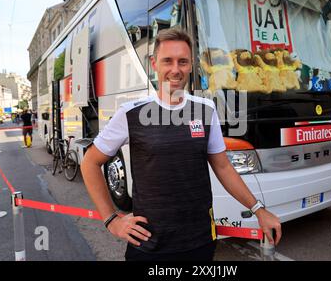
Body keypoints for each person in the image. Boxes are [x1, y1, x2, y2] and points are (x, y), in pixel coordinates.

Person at [81, 28, 282, 261]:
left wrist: (259, 209)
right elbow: (90, 163)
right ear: (154, 64)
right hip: (149, 246)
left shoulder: (206, 110)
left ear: (190, 66)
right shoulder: (131, 113)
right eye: (168, 61)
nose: (175, 69)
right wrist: (111, 219)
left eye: (183, 62)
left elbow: (223, 167)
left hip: (201, 242)